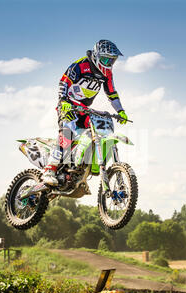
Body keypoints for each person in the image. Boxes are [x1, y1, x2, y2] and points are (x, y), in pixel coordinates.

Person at [42, 40, 128, 186]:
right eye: (106, 59)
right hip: (68, 105)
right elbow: (64, 82)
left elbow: (112, 93)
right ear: (96, 56)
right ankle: (50, 169)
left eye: (112, 61)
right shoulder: (81, 65)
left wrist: (120, 111)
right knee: (67, 132)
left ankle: (80, 167)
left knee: (94, 135)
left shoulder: (107, 73)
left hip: (85, 109)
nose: (109, 64)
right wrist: (63, 101)